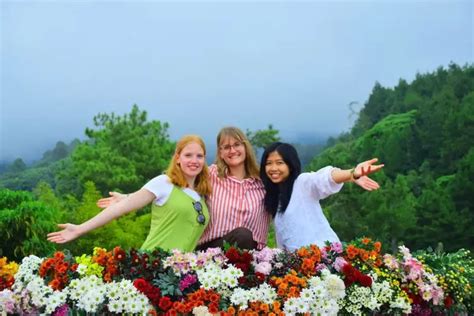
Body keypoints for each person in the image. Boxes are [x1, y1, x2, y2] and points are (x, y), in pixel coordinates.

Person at [98, 127, 271, 250]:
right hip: (212, 250)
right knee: (242, 235)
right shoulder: (210, 176)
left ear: (246, 148)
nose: (232, 150)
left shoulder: (263, 183)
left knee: (246, 237)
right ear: (220, 153)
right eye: (226, 147)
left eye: (237, 145)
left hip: (251, 253)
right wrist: (128, 196)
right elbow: (174, 183)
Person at [47, 135, 211, 252]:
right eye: (188, 155)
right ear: (177, 158)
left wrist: (127, 196)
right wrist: (79, 229)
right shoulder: (164, 183)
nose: (194, 161)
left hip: (182, 277)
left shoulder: (201, 195)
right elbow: (121, 208)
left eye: (199, 156)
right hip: (154, 267)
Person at [260, 142, 384, 251]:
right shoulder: (274, 196)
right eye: (269, 163)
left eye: (279, 163)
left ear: (290, 165)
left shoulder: (302, 183)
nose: (273, 168)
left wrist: (351, 173)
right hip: (297, 267)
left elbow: (324, 178)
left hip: (324, 258)